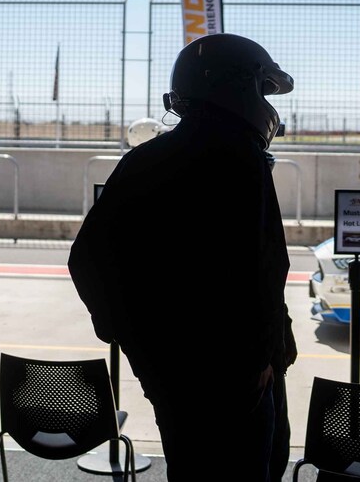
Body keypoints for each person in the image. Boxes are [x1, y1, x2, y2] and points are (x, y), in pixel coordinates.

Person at [69, 33, 294, 481]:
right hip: (236, 380)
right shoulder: (241, 161)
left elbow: (88, 260)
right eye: (263, 89)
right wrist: (259, 359)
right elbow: (259, 272)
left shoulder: (145, 158)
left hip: (173, 376)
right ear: (241, 87)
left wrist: (141, 345)